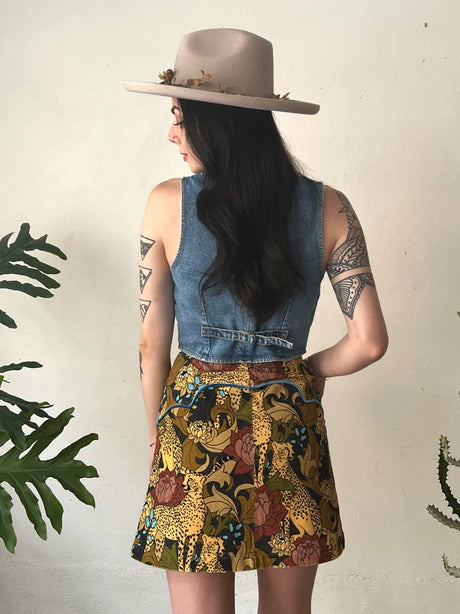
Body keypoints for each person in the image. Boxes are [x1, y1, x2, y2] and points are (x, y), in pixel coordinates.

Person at [123, 28, 388, 614]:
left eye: (180, 117)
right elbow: (369, 342)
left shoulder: (165, 203)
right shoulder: (331, 207)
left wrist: (156, 436)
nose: (172, 133)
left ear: (218, 124)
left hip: (194, 424)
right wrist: (308, 371)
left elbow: (150, 347)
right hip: (288, 421)